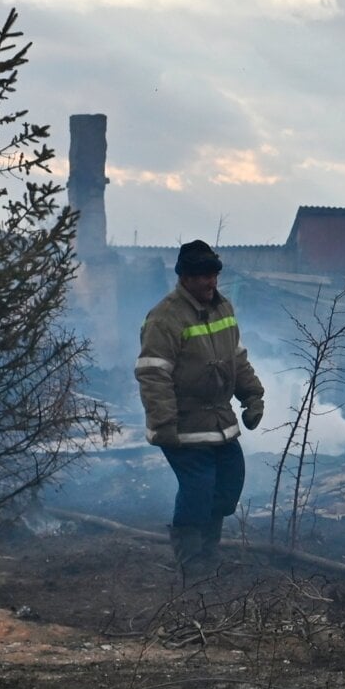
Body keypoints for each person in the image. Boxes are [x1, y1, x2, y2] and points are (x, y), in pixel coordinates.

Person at [135, 239, 265, 582]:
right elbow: (153, 373)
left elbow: (237, 358)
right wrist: (164, 424)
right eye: (204, 276)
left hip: (220, 421)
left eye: (214, 274)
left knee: (228, 484)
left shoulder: (224, 309)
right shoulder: (165, 318)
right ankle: (193, 566)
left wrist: (252, 396)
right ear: (185, 278)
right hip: (183, 424)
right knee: (198, 489)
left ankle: (209, 557)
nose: (211, 282)